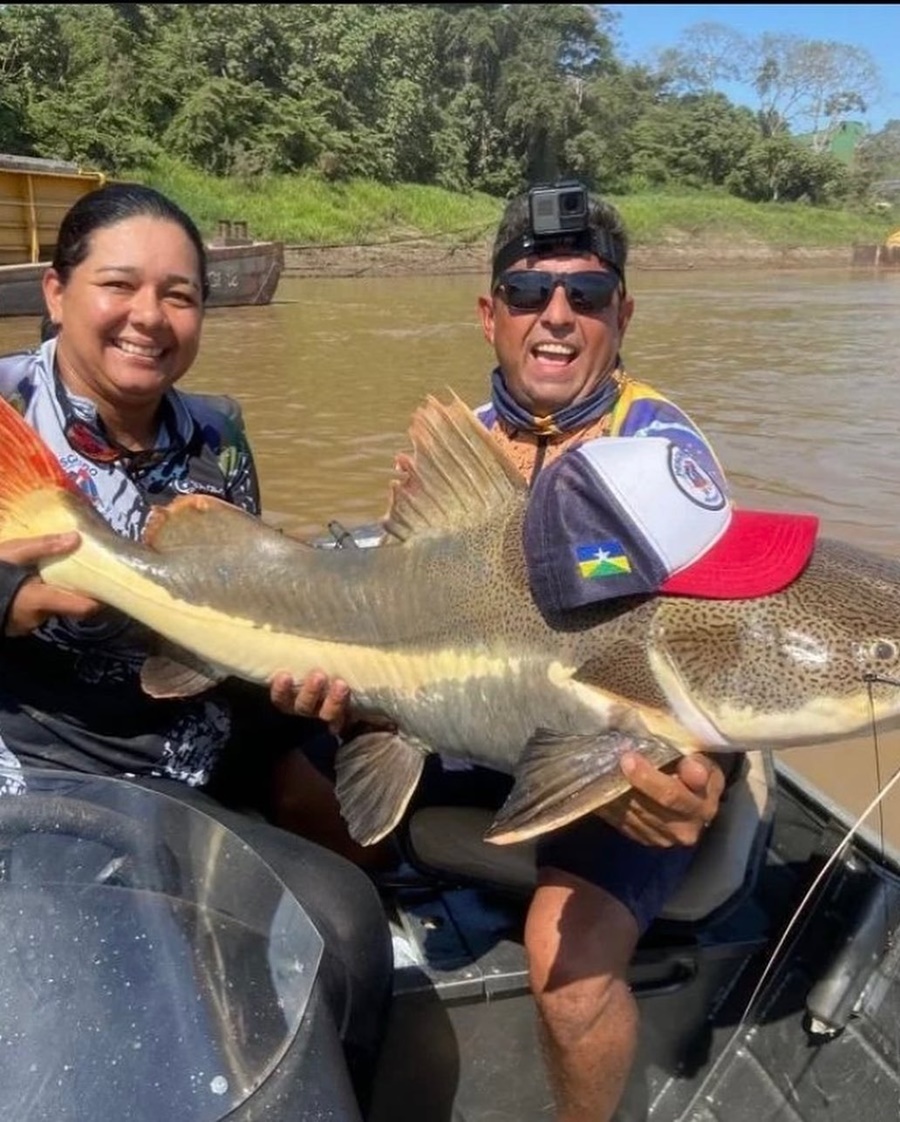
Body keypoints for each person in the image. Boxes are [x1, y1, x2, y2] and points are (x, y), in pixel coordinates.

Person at [276, 181, 743, 1122]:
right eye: (530, 294)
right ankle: (387, 914)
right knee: (284, 781)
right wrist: (360, 694)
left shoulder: (661, 454)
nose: (557, 319)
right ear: (491, 314)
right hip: (476, 719)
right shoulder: (466, 447)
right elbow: (410, 606)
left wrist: (698, 772)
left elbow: (717, 646)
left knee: (566, 974)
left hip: (609, 751)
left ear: (624, 314)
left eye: (588, 295)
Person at [0, 182, 391, 1114]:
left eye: (180, 295)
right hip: (35, 773)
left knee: (349, 926)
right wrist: (8, 596)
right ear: (57, 291)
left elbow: (231, 613)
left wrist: (297, 687)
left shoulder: (217, 434)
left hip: (189, 762)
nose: (150, 317)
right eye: (120, 285)